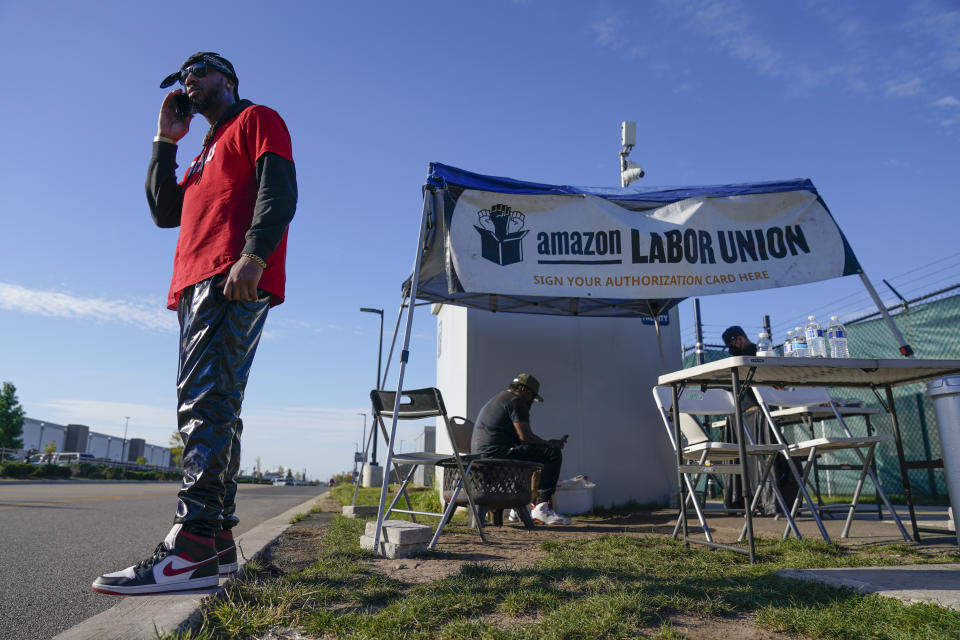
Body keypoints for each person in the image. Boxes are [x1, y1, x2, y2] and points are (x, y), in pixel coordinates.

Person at [92, 52, 297, 595]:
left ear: (226, 80)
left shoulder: (256, 119)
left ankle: (192, 546)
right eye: (183, 77)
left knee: (204, 403)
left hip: (231, 275)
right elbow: (164, 210)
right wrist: (166, 140)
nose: (188, 82)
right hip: (194, 284)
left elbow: (279, 190)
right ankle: (218, 545)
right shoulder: (204, 148)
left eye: (197, 73)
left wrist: (253, 254)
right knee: (217, 404)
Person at [470, 374, 571, 525]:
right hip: (497, 457)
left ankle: (516, 509)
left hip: (481, 459)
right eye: (532, 398)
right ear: (524, 390)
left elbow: (521, 441)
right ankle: (541, 508)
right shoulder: (517, 400)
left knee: (531, 453)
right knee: (552, 454)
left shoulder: (500, 398)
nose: (531, 402)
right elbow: (525, 437)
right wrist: (550, 445)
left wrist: (545, 443)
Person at [720, 326, 799, 517]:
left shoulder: (757, 355)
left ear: (739, 339)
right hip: (753, 417)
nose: (732, 348)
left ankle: (768, 501)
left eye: (732, 344)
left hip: (756, 416)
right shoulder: (738, 360)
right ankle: (767, 501)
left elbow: (778, 385)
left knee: (780, 454)